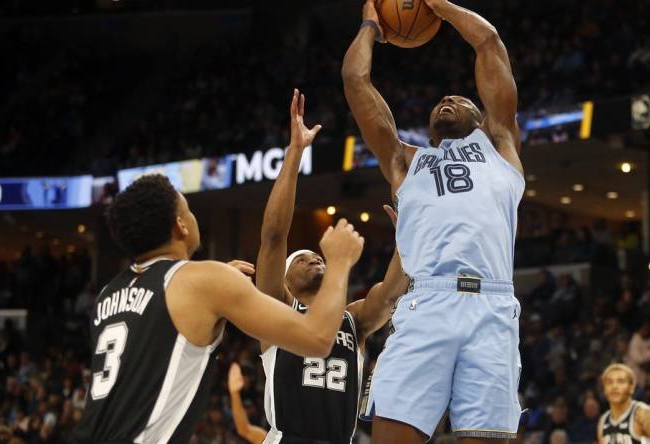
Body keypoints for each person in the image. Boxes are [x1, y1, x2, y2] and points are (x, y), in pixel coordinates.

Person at [343, 0, 524, 441]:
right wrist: (371, 23)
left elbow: (488, 42)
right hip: (427, 302)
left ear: (483, 120)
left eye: (460, 99)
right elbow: (355, 80)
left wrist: (440, 6)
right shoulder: (406, 162)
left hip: (494, 307)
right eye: (442, 100)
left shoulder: (500, 146)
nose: (448, 99)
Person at [71, 172, 365, 441]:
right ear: (181, 225)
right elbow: (318, 338)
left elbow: (159, 325)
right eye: (188, 209)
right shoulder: (202, 279)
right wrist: (339, 262)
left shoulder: (107, 295)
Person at [255, 89, 409, 443]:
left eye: (318, 255)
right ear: (286, 283)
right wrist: (295, 153)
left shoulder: (353, 319)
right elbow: (274, 237)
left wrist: (407, 240)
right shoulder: (275, 311)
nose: (314, 258)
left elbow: (389, 296)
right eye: (303, 258)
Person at [598, 364, 650, 444]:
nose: (614, 386)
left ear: (631, 387)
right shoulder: (603, 421)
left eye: (621, 381)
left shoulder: (644, 414)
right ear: (604, 389)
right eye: (609, 382)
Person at [228, 362, 267, 444]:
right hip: (237, 431)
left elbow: (244, 430)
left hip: (255, 424)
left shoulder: (255, 394)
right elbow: (244, 429)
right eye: (243, 376)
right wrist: (235, 393)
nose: (245, 379)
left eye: (247, 376)